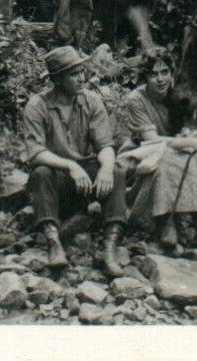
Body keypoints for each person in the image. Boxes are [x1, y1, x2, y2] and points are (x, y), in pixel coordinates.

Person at [20, 45, 128, 274]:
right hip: (58, 181)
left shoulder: (91, 101)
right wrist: (70, 166)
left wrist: (106, 169)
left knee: (117, 172)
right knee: (40, 173)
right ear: (58, 79)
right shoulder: (37, 106)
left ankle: (110, 248)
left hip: (86, 182)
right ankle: (53, 242)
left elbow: (105, 145)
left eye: (82, 71)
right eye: (74, 74)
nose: (82, 78)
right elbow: (36, 152)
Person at [116, 52, 197, 255]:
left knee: (182, 157)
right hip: (141, 158)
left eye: (165, 72)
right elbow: (153, 140)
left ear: (171, 73)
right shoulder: (136, 100)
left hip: (173, 158)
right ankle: (166, 223)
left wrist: (189, 139)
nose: (160, 79)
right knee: (172, 155)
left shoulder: (177, 96)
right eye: (153, 74)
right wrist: (189, 142)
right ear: (145, 78)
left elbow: (194, 132)